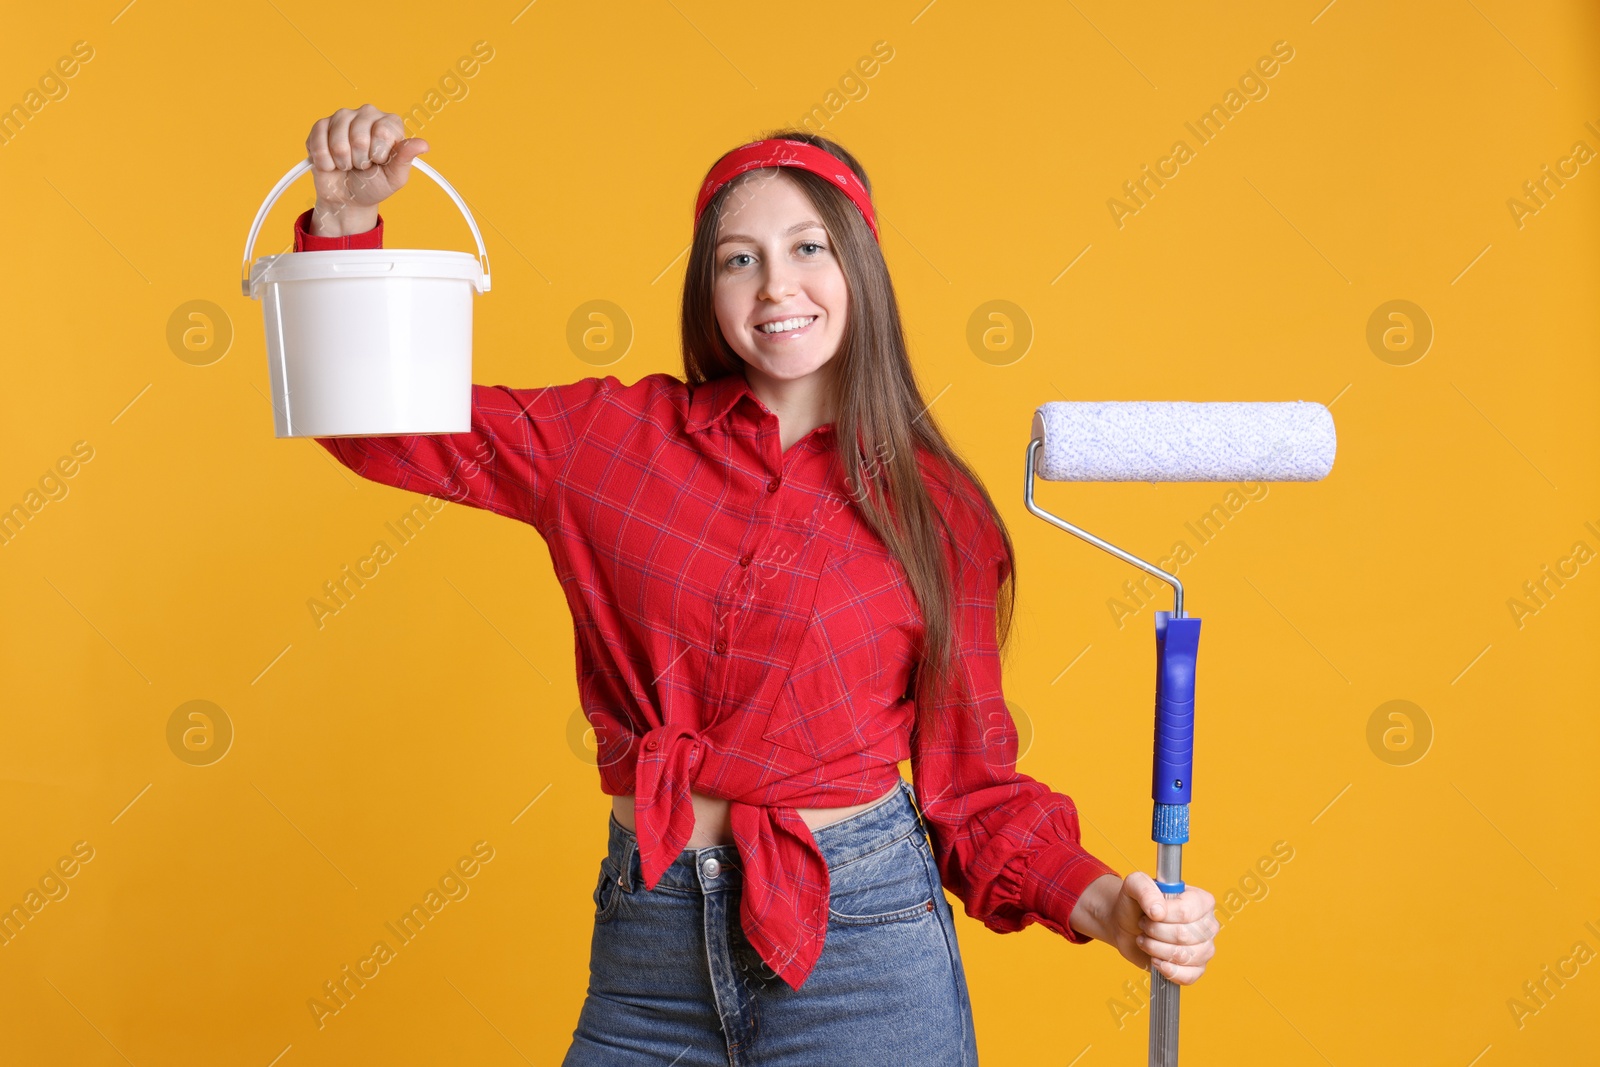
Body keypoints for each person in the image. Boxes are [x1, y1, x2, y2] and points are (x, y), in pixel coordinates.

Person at [292, 104, 1219, 1065]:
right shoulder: (611, 442)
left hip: (862, 954)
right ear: (708, 290)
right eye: (740, 258)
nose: (777, 285)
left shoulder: (939, 513)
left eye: (808, 246)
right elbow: (379, 425)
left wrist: (1111, 904)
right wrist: (345, 226)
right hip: (648, 946)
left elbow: (972, 792)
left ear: (860, 264)